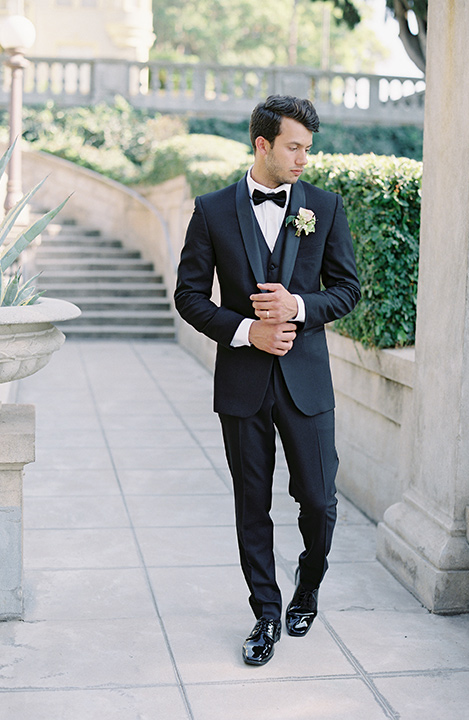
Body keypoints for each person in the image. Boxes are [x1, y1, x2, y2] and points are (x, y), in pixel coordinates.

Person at [175, 95, 360, 666]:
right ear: (263, 145)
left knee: (319, 501)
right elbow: (187, 296)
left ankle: (309, 578)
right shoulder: (210, 210)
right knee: (251, 502)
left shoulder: (324, 208)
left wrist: (300, 307)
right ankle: (264, 612)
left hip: (307, 383)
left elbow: (347, 290)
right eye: (294, 147)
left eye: (308, 147)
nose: (305, 158)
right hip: (243, 384)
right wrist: (244, 332)